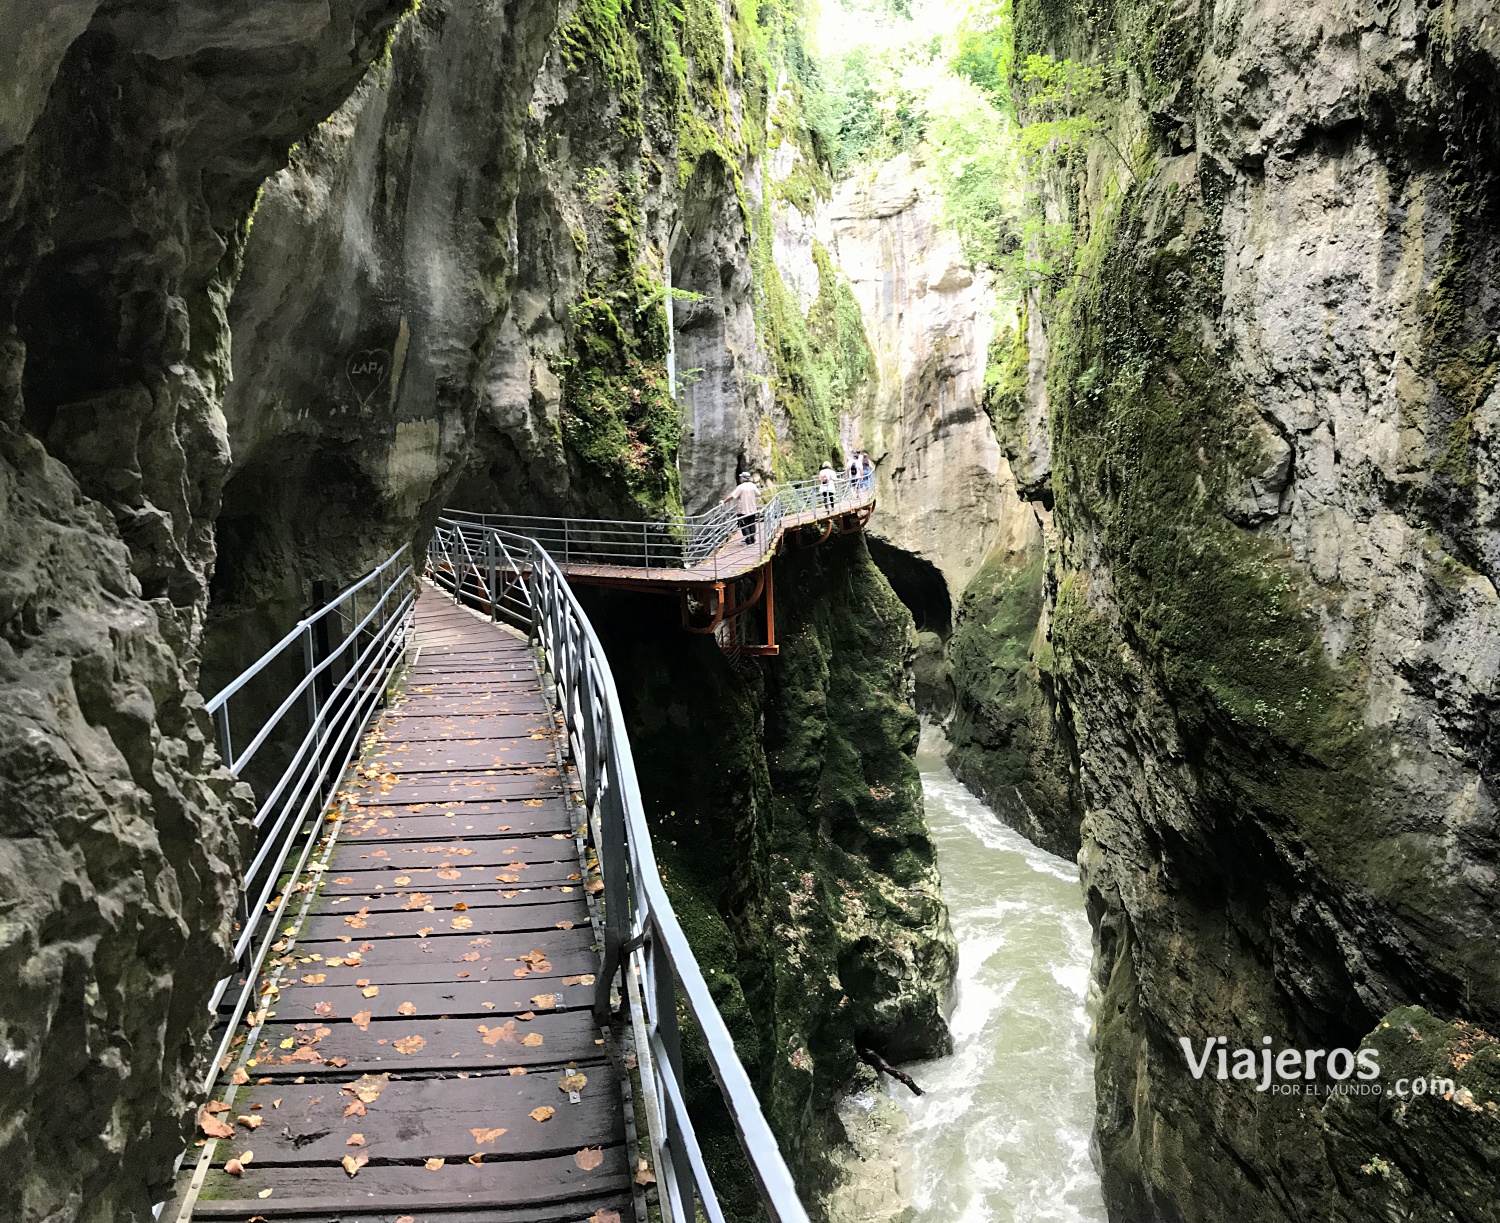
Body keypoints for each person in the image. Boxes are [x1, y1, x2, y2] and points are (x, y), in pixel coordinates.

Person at [723, 471, 761, 545]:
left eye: (741, 477)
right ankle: (752, 538)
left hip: (743, 510)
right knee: (752, 524)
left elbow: (732, 496)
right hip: (752, 510)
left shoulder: (740, 487)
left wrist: (724, 501)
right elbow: (758, 494)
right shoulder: (752, 485)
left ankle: (748, 540)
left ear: (743, 478)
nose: (740, 478)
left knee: (744, 525)